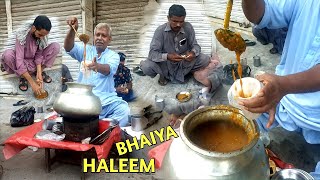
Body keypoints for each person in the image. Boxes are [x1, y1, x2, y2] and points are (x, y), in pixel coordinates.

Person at [241, 0, 320, 176]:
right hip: (285, 100)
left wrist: (282, 85)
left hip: (305, 105)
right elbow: (262, 14)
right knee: (241, 113)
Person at [64, 17, 130, 127]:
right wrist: (72, 30)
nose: (99, 38)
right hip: (85, 101)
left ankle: (98, 126)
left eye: (103, 35)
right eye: (97, 35)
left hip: (106, 101)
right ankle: (102, 125)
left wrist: (96, 66)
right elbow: (68, 47)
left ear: (109, 39)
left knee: (124, 111)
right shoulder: (86, 49)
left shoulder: (113, 55)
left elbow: (109, 69)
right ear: (94, 37)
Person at [140, 4, 213, 89]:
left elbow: (195, 45)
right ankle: (164, 75)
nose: (178, 24)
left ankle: (184, 73)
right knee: (146, 66)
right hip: (166, 64)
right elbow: (152, 54)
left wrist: (192, 53)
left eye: (181, 21)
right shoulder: (160, 31)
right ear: (168, 18)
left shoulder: (188, 27)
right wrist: (167, 56)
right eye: (174, 21)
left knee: (205, 59)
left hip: (184, 61)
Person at [1, 15, 60, 95]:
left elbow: (39, 55)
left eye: (44, 36)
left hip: (33, 62)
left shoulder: (42, 37)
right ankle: (23, 76)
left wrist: (39, 72)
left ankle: (36, 73)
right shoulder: (22, 35)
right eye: (40, 35)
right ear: (34, 28)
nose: (42, 38)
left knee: (55, 46)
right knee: (7, 55)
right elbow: (19, 59)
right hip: (23, 61)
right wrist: (33, 84)